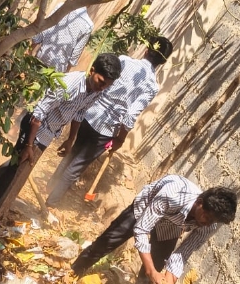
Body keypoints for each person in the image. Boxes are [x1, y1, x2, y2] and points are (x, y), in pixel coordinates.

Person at [0, 52, 121, 219]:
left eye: (107, 85)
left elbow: (79, 113)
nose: (103, 87)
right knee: (16, 175)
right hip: (36, 126)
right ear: (92, 71)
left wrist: (71, 140)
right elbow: (38, 114)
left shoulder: (95, 91)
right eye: (101, 82)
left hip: (48, 132)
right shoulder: (70, 84)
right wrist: (29, 144)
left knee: (20, 168)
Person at [45, 36, 173, 207]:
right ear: (162, 63)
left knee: (74, 150)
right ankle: (52, 201)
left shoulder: (124, 61)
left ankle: (50, 187)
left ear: (146, 50)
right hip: (106, 129)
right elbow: (131, 114)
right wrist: (120, 139)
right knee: (78, 165)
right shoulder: (151, 86)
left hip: (89, 113)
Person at [71, 176, 238, 284]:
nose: (206, 223)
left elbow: (184, 251)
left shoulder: (212, 223)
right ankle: (74, 272)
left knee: (154, 269)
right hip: (145, 209)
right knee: (107, 242)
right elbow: (142, 230)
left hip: (171, 226)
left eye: (212, 221)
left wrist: (169, 278)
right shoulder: (173, 195)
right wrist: (151, 271)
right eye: (206, 217)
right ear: (199, 203)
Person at [31, 0, 98, 72]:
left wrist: (31, 51)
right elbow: (75, 53)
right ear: (93, 2)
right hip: (57, 69)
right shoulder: (88, 25)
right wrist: (65, 73)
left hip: (41, 57)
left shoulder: (61, 7)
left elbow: (44, 29)